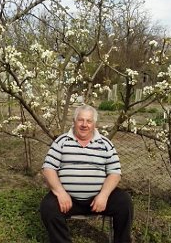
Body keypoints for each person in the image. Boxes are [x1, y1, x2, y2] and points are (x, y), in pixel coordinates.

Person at [40, 104, 133, 243]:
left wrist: (104, 195)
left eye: (89, 121)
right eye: (81, 120)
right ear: (74, 121)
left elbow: (115, 173)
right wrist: (60, 192)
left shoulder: (105, 144)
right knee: (48, 207)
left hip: (98, 200)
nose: (84, 124)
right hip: (68, 200)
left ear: (94, 123)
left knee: (124, 202)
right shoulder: (61, 142)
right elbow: (48, 169)